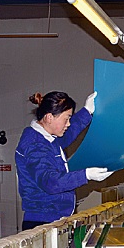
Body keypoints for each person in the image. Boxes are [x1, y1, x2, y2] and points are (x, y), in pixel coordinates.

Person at [16, 90, 113, 230]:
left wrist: (87, 111)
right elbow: (50, 182)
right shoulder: (34, 144)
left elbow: (69, 133)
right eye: (66, 119)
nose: (68, 124)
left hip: (54, 218)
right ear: (49, 117)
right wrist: (86, 175)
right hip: (42, 222)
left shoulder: (48, 138)